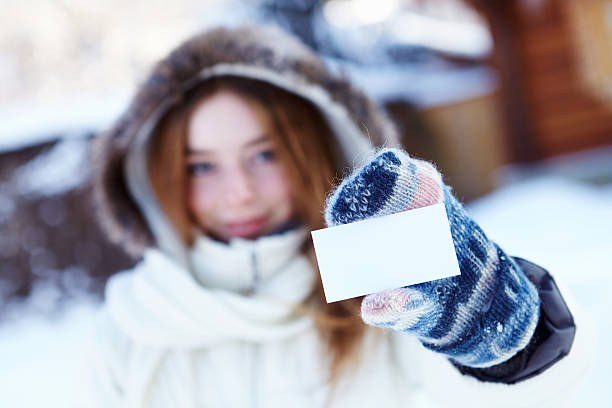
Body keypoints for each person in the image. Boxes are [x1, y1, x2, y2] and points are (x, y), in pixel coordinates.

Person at [87, 24, 592, 407]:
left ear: (317, 149)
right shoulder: (132, 327)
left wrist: (513, 340)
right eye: (201, 167)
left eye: (264, 155)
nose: (238, 192)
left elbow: (557, 392)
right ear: (157, 178)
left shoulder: (392, 295)